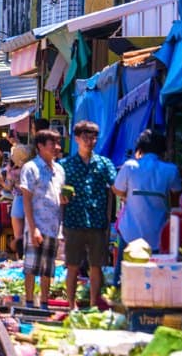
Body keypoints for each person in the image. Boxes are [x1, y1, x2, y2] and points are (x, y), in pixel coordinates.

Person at [59, 121, 117, 309]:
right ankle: (70, 305)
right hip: (73, 221)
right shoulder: (65, 165)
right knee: (73, 265)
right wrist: (61, 198)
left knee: (96, 265)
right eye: (85, 137)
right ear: (76, 139)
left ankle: (93, 304)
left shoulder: (104, 163)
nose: (90, 141)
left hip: (97, 221)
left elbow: (116, 186)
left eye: (93, 137)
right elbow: (56, 190)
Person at [112, 129, 181, 252]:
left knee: (124, 270)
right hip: (157, 234)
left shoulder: (130, 166)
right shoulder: (171, 170)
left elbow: (117, 189)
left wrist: (127, 195)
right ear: (162, 149)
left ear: (140, 148)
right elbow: (176, 194)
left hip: (130, 233)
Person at [20, 129, 66, 309]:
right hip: (36, 225)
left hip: (54, 226)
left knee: (48, 269)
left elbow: (59, 199)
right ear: (40, 146)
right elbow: (26, 199)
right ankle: (30, 303)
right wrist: (33, 229)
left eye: (57, 143)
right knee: (31, 267)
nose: (57, 147)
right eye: (52, 144)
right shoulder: (31, 168)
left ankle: (45, 304)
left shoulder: (60, 170)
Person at [0, 145, 29, 258]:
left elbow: (8, 187)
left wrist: (0, 181)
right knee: (28, 235)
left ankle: (19, 259)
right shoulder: (31, 169)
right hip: (30, 202)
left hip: (18, 202)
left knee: (18, 236)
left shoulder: (13, 171)